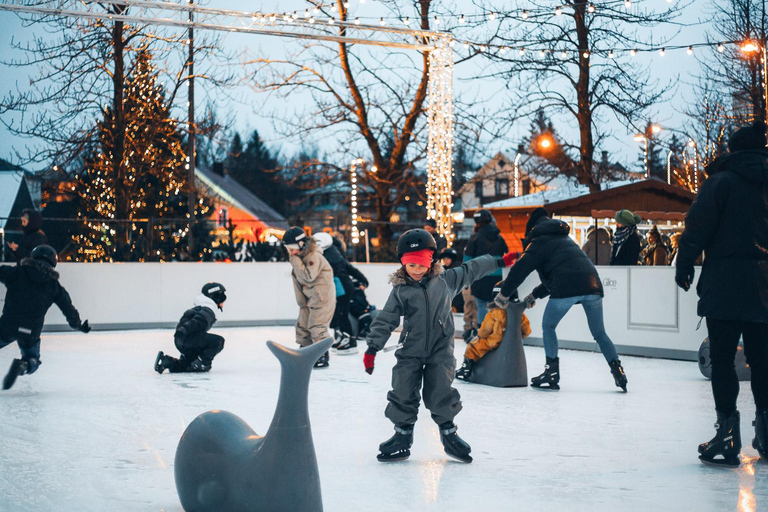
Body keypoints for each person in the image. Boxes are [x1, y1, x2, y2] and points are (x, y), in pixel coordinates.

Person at [363, 228, 518, 463]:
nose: (416, 270)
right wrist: (372, 348)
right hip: (410, 350)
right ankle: (402, 437)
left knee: (441, 392)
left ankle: (449, 435)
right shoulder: (400, 290)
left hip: (440, 351)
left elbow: (472, 269)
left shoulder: (446, 281)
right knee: (402, 391)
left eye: (421, 265)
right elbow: (387, 318)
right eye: (411, 265)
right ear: (403, 264)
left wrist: (498, 260)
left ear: (431, 262)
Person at [675, 120, 768, 468]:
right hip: (765, 285)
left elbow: (698, 225)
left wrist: (684, 262)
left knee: (725, 360)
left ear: (734, 149)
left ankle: (728, 436)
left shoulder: (722, 181)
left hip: (726, 283)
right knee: (763, 361)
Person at [495, 207, 628, 392]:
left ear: (532, 228)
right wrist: (534, 295)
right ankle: (619, 372)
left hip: (568, 287)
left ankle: (551, 372)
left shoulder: (539, 241)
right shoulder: (565, 240)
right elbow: (562, 272)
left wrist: (504, 294)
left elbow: (521, 269)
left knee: (548, 326)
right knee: (599, 333)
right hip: (593, 285)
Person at [0, 245, 90, 390]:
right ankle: (23, 365)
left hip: (8, 324)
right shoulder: (54, 286)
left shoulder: (17, 273)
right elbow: (68, 309)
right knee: (33, 359)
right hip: (30, 332)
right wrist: (78, 325)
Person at [455, 282, 531, 381]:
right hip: (514, 342)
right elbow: (526, 331)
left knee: (473, 346)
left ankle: (466, 368)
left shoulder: (494, 313)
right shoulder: (519, 314)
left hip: (494, 342)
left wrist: (480, 336)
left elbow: (484, 331)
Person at [283, 227, 335, 368]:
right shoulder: (300, 257)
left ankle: (322, 355)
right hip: (308, 299)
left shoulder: (314, 256)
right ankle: (305, 352)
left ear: (301, 244)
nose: (291, 252)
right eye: (288, 249)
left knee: (317, 326)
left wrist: (294, 260)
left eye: (292, 248)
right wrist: (302, 302)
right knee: (302, 326)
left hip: (321, 297)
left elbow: (308, 276)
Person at [313, 232, 368, 355]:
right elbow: (350, 268)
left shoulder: (327, 256)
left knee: (342, 314)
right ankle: (345, 338)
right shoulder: (333, 253)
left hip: (341, 288)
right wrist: (363, 279)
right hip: (342, 287)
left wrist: (363, 280)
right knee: (340, 314)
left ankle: (350, 341)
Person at [154, 283, 227, 374]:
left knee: (187, 366)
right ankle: (202, 363)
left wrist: (181, 332)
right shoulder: (208, 310)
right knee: (218, 341)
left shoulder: (201, 308)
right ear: (216, 297)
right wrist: (183, 330)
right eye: (222, 299)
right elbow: (196, 321)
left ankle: (168, 362)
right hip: (187, 338)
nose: (223, 303)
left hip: (182, 340)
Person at [464, 209, 508, 326]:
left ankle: (482, 330)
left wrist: (466, 279)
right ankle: (497, 331)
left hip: (480, 276)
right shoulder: (500, 238)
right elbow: (506, 256)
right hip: (497, 277)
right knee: (496, 306)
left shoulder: (475, 238)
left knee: (481, 305)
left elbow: (467, 260)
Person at [438, 248, 465, 313]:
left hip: (457, 299)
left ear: (452, 259)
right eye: (444, 259)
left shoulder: (457, 268)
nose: (445, 261)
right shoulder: (444, 269)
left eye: (447, 259)